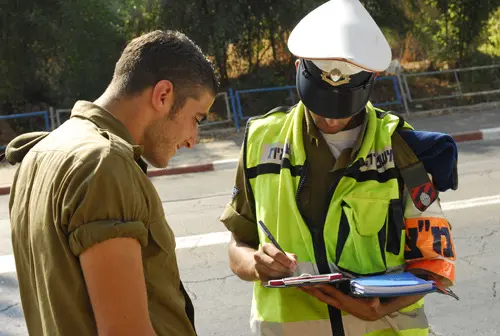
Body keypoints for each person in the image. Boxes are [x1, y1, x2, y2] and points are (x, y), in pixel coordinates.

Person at [220, 1, 458, 335]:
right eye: (320, 102)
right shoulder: (260, 140)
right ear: (299, 68)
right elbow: (237, 246)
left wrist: (381, 308)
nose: (331, 118)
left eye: (344, 104)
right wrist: (256, 264)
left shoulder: (402, 148)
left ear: (372, 78)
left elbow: (434, 262)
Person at [4, 30, 218, 335]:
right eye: (197, 118)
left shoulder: (42, 151)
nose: (192, 140)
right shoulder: (104, 163)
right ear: (163, 95)